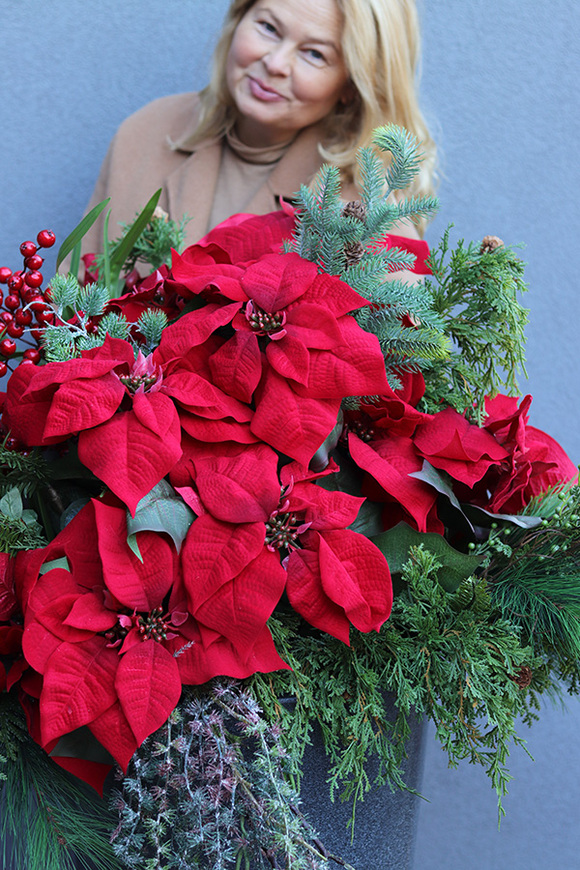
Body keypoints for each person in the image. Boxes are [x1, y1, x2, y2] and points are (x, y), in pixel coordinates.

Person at [79, 0, 437, 257]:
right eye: (268, 28)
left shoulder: (365, 207)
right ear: (240, 17)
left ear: (352, 86)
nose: (275, 63)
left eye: (314, 54)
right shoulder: (147, 132)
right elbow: (74, 310)